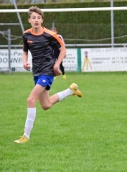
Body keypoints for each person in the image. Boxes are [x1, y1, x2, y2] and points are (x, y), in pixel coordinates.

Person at [14, 6, 82, 144]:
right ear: (29, 20)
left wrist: (56, 65)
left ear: (42, 20)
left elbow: (63, 49)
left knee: (30, 100)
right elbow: (25, 51)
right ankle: (71, 90)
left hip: (48, 71)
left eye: (39, 18)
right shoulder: (26, 35)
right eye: (34, 18)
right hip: (37, 72)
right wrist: (25, 62)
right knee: (46, 105)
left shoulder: (50, 35)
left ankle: (26, 136)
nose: (36, 20)